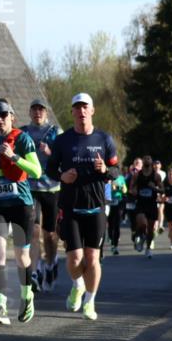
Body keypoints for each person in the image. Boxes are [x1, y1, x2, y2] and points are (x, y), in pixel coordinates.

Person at [45, 93, 118, 321]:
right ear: (73, 113)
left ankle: (90, 301)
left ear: (92, 110)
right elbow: (49, 170)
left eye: (85, 107)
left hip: (96, 208)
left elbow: (116, 172)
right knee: (75, 259)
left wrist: (105, 169)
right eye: (77, 108)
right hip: (70, 207)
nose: (81, 111)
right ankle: (77, 285)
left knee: (92, 258)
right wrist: (62, 176)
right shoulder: (63, 140)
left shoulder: (104, 139)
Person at [0, 99, 42, 325]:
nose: (0, 118)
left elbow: (36, 171)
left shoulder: (22, 139)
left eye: (4, 114)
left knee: (21, 257)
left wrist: (14, 157)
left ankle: (27, 296)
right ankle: (1, 306)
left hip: (21, 205)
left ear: (12, 116)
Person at [21, 99, 62, 292]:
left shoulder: (55, 132)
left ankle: (51, 262)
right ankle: (36, 271)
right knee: (34, 231)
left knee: (50, 235)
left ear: (46, 113)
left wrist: (50, 151)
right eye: (34, 109)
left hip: (52, 188)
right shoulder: (23, 132)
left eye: (41, 109)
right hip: (30, 187)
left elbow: (64, 156)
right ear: (29, 112)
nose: (37, 112)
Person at [129, 156, 163, 259]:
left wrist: (155, 188)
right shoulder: (137, 175)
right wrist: (134, 191)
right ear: (143, 163)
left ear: (152, 163)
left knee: (151, 229)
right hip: (141, 203)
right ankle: (141, 236)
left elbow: (162, 190)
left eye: (149, 160)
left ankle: (148, 248)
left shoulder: (156, 176)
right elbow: (131, 188)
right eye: (146, 160)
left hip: (152, 204)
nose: (147, 162)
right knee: (142, 223)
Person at [106, 166, 127, 255]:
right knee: (110, 224)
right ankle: (110, 237)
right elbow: (106, 192)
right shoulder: (107, 179)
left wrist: (120, 187)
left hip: (119, 203)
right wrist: (110, 187)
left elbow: (125, 190)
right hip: (109, 203)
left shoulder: (121, 178)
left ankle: (115, 246)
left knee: (117, 225)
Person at [152, 159, 167, 239]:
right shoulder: (151, 173)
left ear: (160, 166)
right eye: (155, 164)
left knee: (161, 209)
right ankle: (155, 227)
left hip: (161, 193)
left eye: (158, 164)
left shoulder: (163, 173)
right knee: (155, 210)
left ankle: (161, 225)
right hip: (154, 194)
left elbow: (165, 184)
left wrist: (164, 193)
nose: (156, 166)